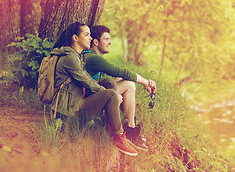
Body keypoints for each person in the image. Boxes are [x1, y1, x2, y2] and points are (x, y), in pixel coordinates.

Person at [50, 22, 138, 156]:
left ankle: (110, 126)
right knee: (110, 94)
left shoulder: (77, 56)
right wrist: (113, 95)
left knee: (109, 82)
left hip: (76, 102)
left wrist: (111, 89)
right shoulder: (70, 59)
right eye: (86, 35)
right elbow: (87, 82)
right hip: (69, 113)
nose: (90, 38)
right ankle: (119, 136)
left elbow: (89, 81)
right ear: (75, 38)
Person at [83, 25, 156, 151]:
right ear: (95, 42)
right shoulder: (93, 58)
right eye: (106, 39)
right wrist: (145, 82)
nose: (110, 42)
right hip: (86, 102)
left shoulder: (90, 56)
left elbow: (113, 77)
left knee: (123, 82)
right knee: (129, 84)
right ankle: (130, 130)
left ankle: (129, 127)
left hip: (89, 95)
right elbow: (120, 71)